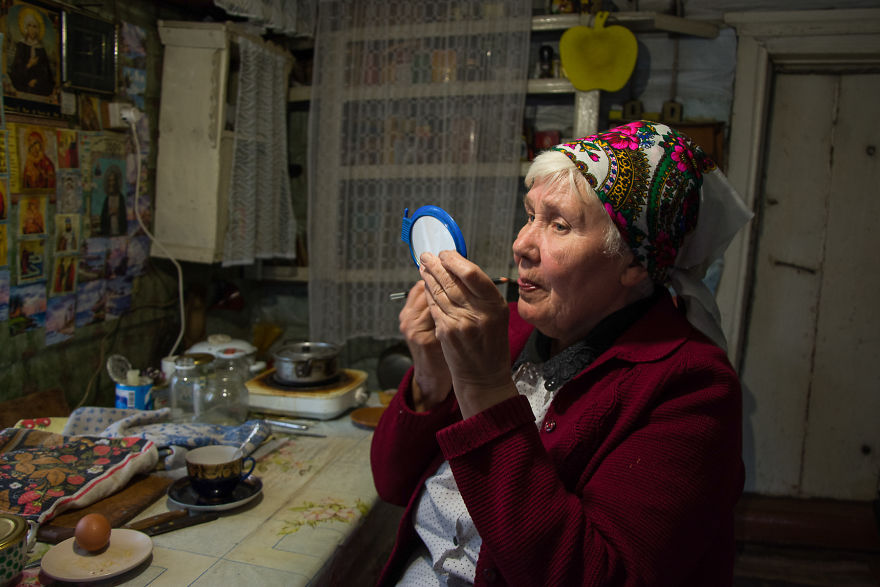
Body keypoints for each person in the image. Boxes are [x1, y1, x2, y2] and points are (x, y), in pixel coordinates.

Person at [370, 120, 753, 586]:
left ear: (634, 262)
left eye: (559, 224)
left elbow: (592, 575)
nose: (521, 245)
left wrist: (484, 388)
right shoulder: (507, 330)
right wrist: (431, 377)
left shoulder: (692, 388)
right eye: (530, 214)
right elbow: (391, 483)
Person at [9, 7, 55, 96]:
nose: (32, 29)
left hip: (38, 85)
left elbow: (46, 72)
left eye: (35, 27)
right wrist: (29, 65)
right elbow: (15, 70)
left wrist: (37, 80)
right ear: (26, 28)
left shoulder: (41, 49)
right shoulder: (21, 45)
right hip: (22, 82)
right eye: (30, 26)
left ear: (38, 30)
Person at [99, 165, 126, 236]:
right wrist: (109, 213)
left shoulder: (121, 198)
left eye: (113, 180)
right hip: (109, 233)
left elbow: (124, 217)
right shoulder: (107, 199)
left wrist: (118, 212)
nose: (112, 183)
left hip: (119, 232)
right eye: (110, 180)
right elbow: (103, 219)